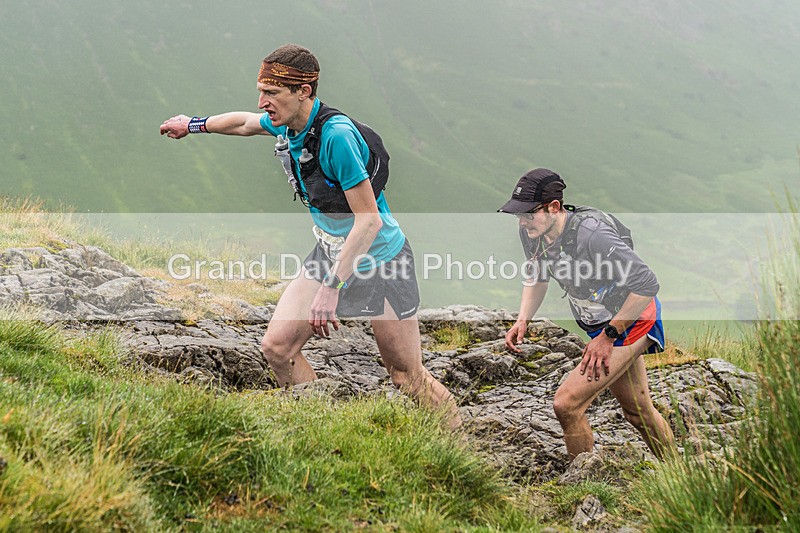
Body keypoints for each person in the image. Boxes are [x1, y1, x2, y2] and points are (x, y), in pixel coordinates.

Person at [160, 43, 461, 429]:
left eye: (272, 93)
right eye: (261, 91)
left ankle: (459, 447)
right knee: (278, 348)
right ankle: (325, 433)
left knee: (406, 376)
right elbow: (244, 123)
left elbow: (368, 221)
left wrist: (331, 287)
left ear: (303, 91)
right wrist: (192, 124)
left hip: (381, 259)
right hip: (330, 249)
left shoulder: (336, 137)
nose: (262, 102)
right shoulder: (288, 122)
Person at [498, 168, 675, 459]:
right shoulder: (533, 233)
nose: (522, 220)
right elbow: (538, 275)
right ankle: (678, 471)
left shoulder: (593, 235)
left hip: (632, 320)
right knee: (637, 411)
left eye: (528, 213)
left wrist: (607, 337)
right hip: (600, 323)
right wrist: (523, 319)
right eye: (518, 214)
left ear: (554, 207)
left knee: (566, 404)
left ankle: (582, 479)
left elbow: (646, 285)